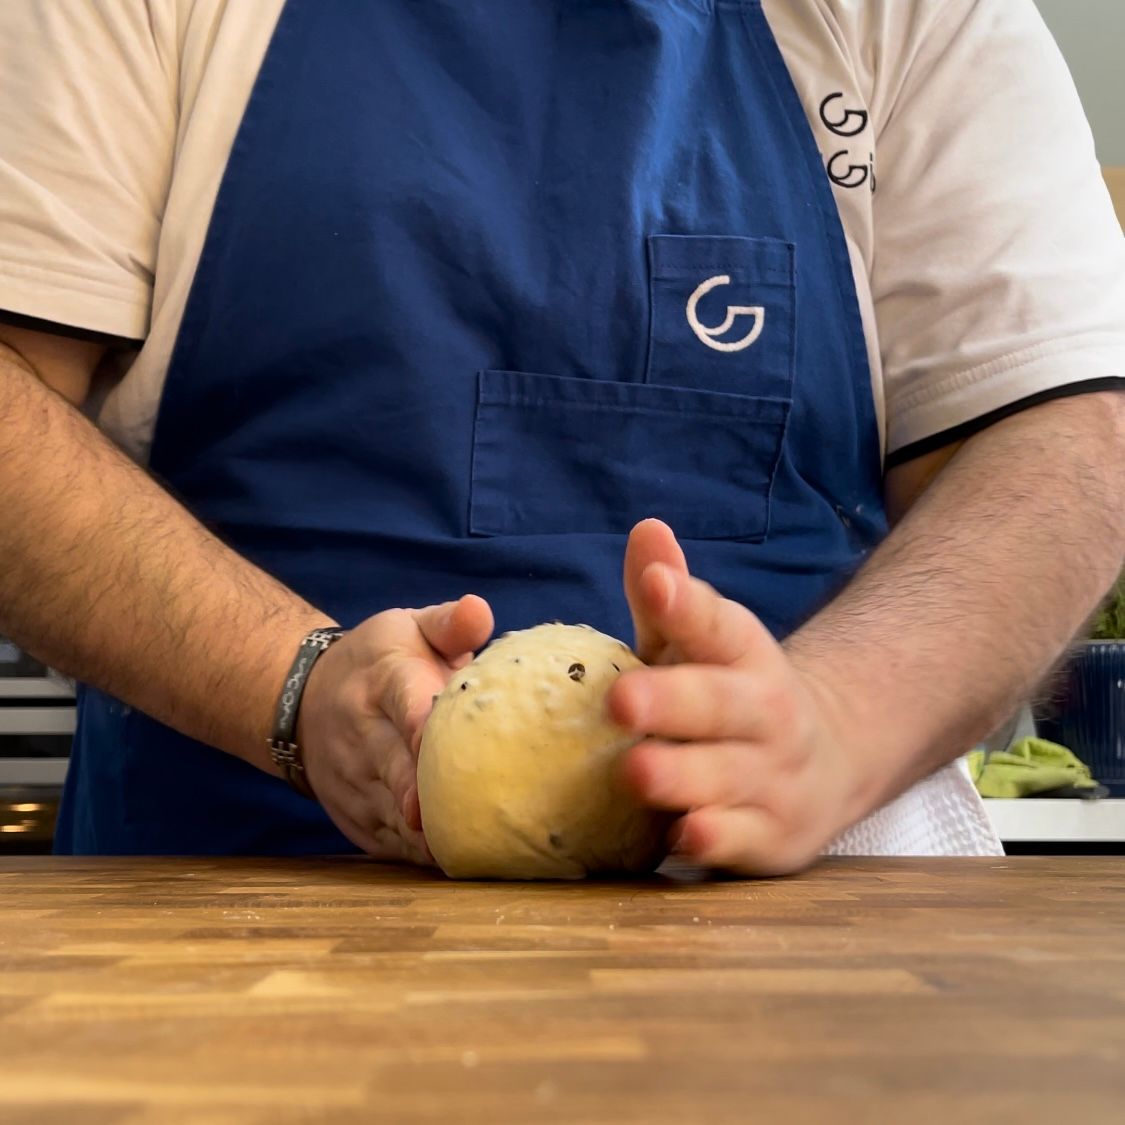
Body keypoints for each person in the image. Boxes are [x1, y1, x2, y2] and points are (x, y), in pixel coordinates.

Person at [0, 0, 1121, 871]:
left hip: (795, 948)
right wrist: (293, 688)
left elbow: (1069, 440)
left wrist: (835, 717)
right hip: (223, 920)